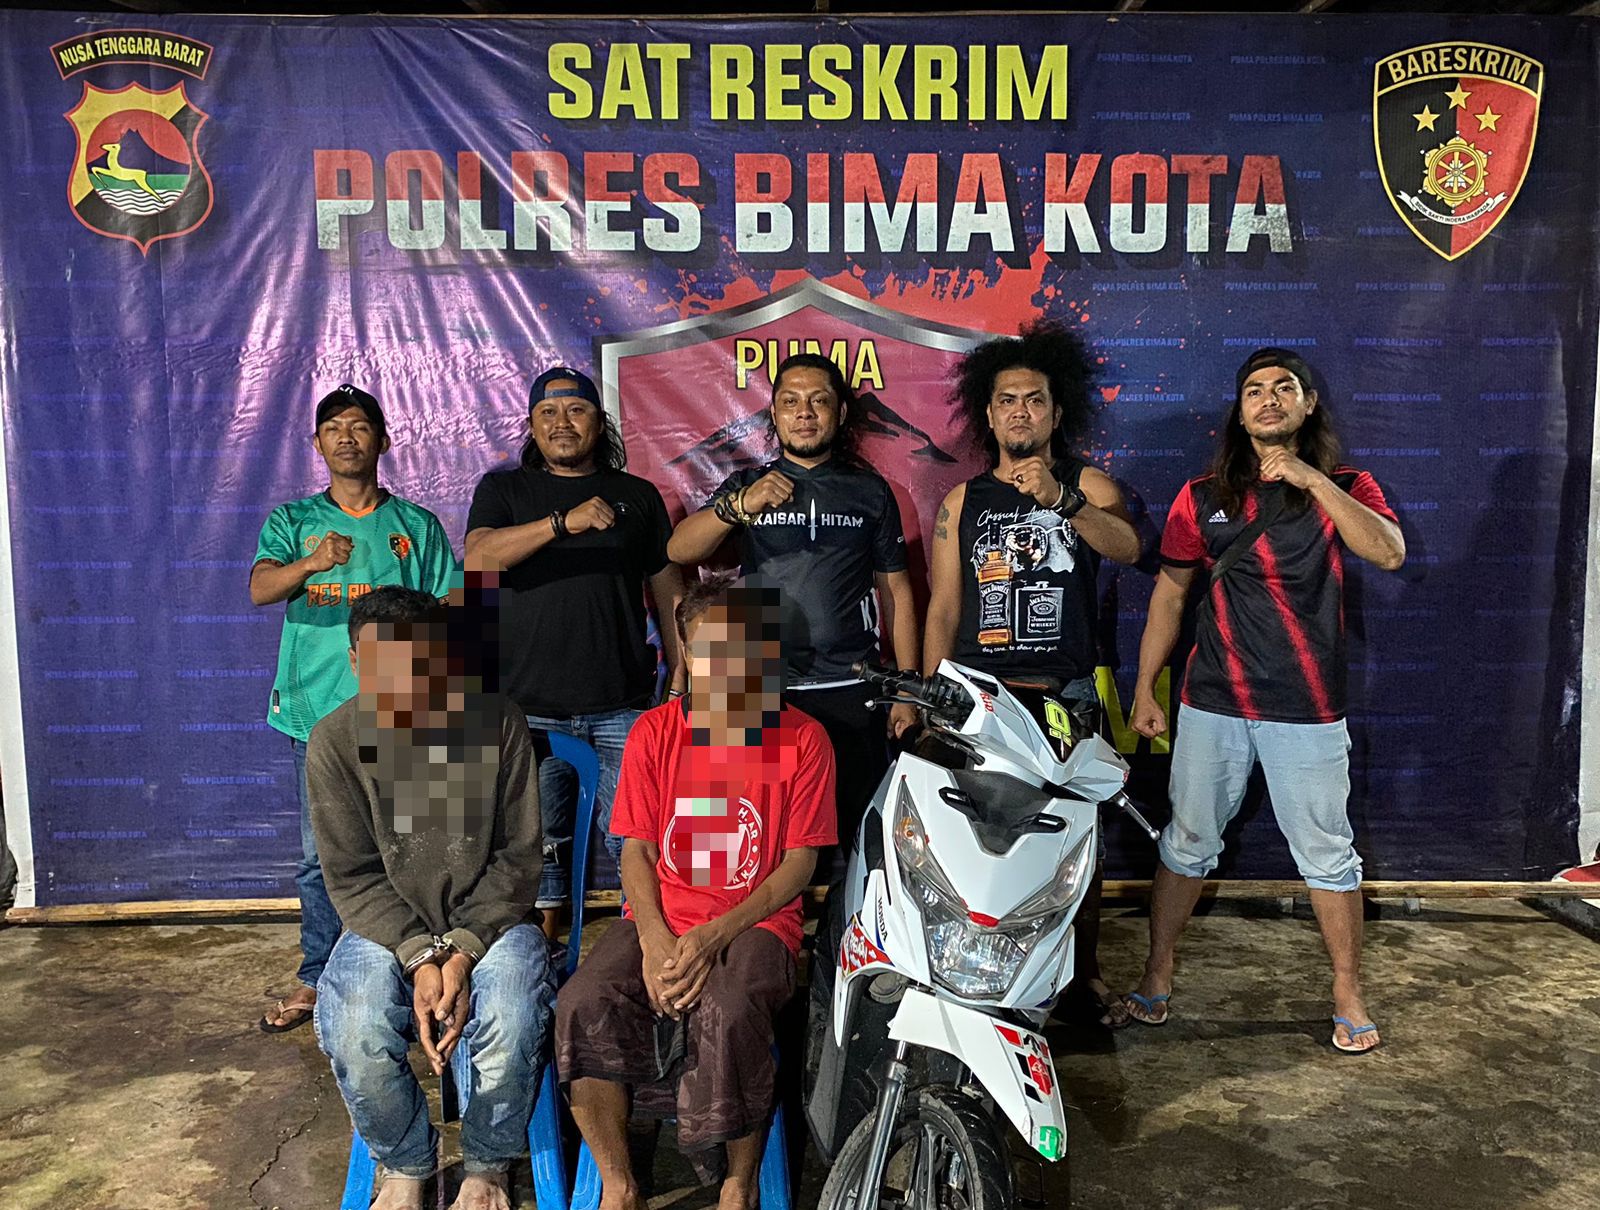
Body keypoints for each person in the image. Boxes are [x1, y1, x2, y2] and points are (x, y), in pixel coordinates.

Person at [1123, 347, 1405, 1053]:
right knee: (1187, 842)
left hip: (1307, 707)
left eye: (1284, 388)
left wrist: (1313, 480)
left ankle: (1347, 992)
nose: (1269, 399)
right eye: (1255, 390)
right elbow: (1170, 594)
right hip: (1212, 701)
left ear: (1309, 405)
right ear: (1240, 410)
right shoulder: (1201, 494)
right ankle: (1156, 973)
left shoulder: (1348, 484)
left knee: (1328, 856)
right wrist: (1145, 687)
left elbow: (1388, 551)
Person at [555, 575, 836, 1210]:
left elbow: (798, 865)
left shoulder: (801, 737)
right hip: (659, 917)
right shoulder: (655, 733)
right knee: (582, 1001)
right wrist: (655, 938)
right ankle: (618, 1183)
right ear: (686, 651)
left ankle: (739, 1183)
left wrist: (712, 937)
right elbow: (637, 850)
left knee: (731, 1009)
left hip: (755, 924)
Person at [922, 319, 1143, 1029]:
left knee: (1072, 842)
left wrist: (1061, 500)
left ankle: (1080, 976)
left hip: (1063, 698)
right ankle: (970, 973)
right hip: (982, 700)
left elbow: (1131, 547)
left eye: (1035, 399)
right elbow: (944, 606)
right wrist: (928, 697)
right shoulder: (962, 501)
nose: (1021, 411)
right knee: (975, 842)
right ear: (988, 416)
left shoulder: (1085, 482)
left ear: (1056, 411)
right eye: (1007, 400)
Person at [310, 586, 555, 1210]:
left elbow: (517, 858)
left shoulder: (497, 722)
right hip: (386, 927)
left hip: (493, 922)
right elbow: (353, 876)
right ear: (355, 661)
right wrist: (421, 955)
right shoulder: (335, 741)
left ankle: (487, 1165)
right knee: (354, 1025)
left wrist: (463, 950)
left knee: (514, 1013)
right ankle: (405, 1163)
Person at [250, 384, 456, 1033]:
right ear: (317, 443)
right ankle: (317, 976)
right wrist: (312, 562)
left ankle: (412, 967)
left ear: (383, 440)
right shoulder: (293, 521)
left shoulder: (416, 526)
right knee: (322, 857)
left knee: (413, 844)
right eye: (334, 427)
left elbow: (451, 606)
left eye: (360, 425)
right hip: (316, 717)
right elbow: (260, 588)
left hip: (405, 718)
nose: (347, 436)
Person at [667, 352, 919, 860]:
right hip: (760, 692)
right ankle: (771, 916)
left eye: (818, 401)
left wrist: (908, 688)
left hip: (851, 688)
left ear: (840, 413)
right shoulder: (748, 486)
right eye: (790, 402)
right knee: (766, 835)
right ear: (775, 415)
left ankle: (846, 916)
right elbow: (679, 549)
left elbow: (896, 591)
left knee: (855, 838)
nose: (804, 412)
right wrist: (741, 506)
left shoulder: (869, 491)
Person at [465, 366, 685, 937]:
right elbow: (480, 560)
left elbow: (669, 591)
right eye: (548, 412)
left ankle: (646, 949)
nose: (562, 422)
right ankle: (537, 960)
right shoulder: (504, 491)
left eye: (576, 410)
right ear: (531, 426)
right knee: (536, 848)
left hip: (622, 706)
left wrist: (682, 673)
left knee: (636, 840)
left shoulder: (637, 496)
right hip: (528, 709)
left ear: (599, 422)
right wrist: (563, 523)